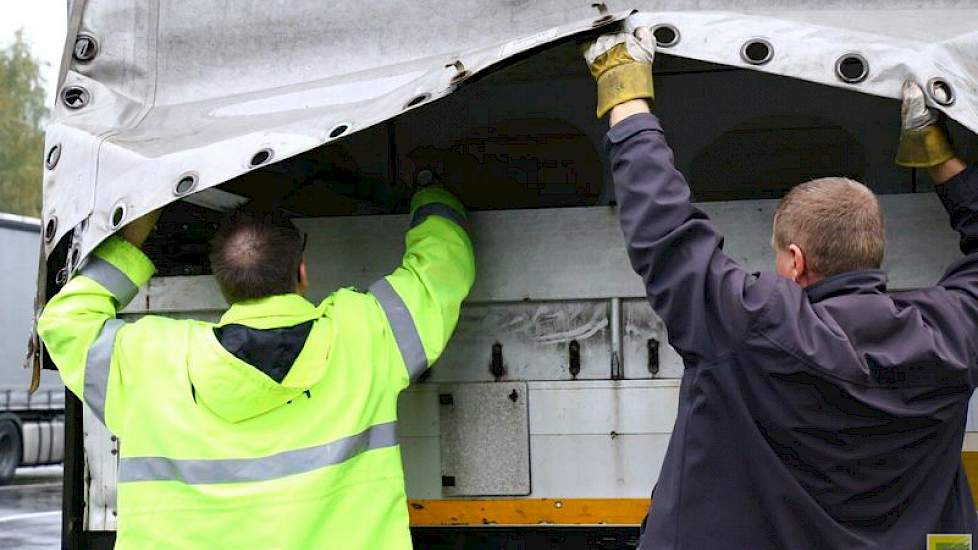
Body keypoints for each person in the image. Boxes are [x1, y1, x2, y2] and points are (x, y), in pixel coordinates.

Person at [584, 28, 978, 549]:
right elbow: (667, 235)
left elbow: (665, 232)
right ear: (873, 251)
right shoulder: (952, 335)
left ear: (795, 261)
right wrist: (938, 155)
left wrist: (622, 88)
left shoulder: (752, 326)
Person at [38, 183, 475, 548]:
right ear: (301, 273)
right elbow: (440, 271)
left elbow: (64, 322)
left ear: (223, 285)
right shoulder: (364, 336)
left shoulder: (152, 362)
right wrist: (431, 190)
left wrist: (137, 225)